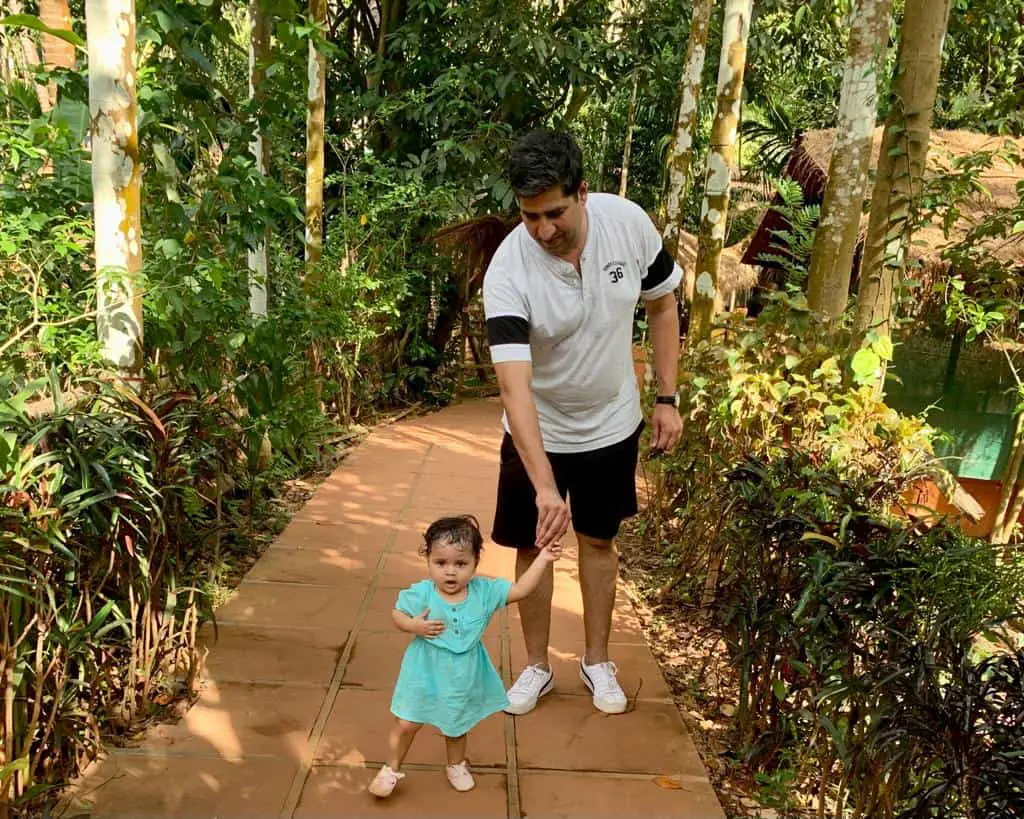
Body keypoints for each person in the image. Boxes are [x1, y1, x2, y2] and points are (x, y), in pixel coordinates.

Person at [482, 129, 683, 717]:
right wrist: (544, 488)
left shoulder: (629, 224)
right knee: (532, 542)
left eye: (554, 213)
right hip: (536, 426)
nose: (542, 230)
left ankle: (597, 660)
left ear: (584, 192)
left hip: (611, 422)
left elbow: (664, 302)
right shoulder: (508, 272)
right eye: (528, 216)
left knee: (599, 538)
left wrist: (666, 397)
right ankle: (537, 667)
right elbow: (514, 388)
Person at [368, 514, 561, 798]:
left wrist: (544, 558)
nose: (450, 572)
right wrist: (412, 625)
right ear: (428, 560)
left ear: (475, 563)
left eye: (461, 564)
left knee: (457, 722)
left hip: (463, 671)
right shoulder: (422, 593)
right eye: (440, 563)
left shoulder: (485, 592)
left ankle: (455, 765)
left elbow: (521, 590)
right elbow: (397, 613)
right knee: (407, 721)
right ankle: (390, 768)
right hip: (423, 670)